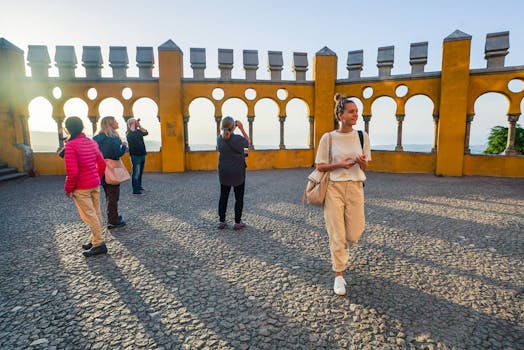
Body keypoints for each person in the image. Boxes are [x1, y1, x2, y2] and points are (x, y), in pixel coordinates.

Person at [314, 94, 371, 295]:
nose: (356, 114)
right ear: (340, 115)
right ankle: (339, 275)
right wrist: (340, 164)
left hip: (355, 187)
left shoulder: (362, 136)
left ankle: (341, 249)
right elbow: (319, 166)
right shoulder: (328, 138)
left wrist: (361, 162)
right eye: (351, 111)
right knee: (337, 234)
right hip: (333, 188)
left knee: (355, 232)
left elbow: (366, 165)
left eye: (357, 111)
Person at [63, 116, 108, 257]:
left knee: (89, 215)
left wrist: (68, 188)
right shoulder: (91, 142)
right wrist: (97, 177)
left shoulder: (70, 145)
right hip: (94, 183)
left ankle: (99, 244)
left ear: (68, 129)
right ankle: (94, 238)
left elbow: (73, 171)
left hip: (81, 187)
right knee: (96, 212)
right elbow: (102, 163)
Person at [217, 116, 251, 230]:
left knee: (223, 196)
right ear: (233, 127)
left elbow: (227, 135)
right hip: (237, 172)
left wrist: (232, 128)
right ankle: (237, 223)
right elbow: (248, 143)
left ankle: (222, 221)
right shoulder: (237, 139)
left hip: (224, 172)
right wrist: (241, 128)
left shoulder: (219, 138)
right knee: (239, 197)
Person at [94, 116, 128, 229]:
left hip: (100, 169)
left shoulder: (96, 138)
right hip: (112, 169)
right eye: (115, 121)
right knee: (113, 196)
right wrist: (124, 146)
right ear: (110, 124)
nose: (117, 123)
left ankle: (113, 216)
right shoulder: (114, 138)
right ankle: (113, 220)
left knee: (108, 195)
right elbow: (117, 154)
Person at [126, 118, 148, 194]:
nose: (135, 123)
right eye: (133, 123)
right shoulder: (129, 133)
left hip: (142, 154)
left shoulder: (139, 131)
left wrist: (139, 125)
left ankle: (139, 186)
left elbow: (146, 132)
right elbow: (131, 134)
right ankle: (135, 190)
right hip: (135, 155)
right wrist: (132, 124)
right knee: (136, 172)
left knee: (140, 172)